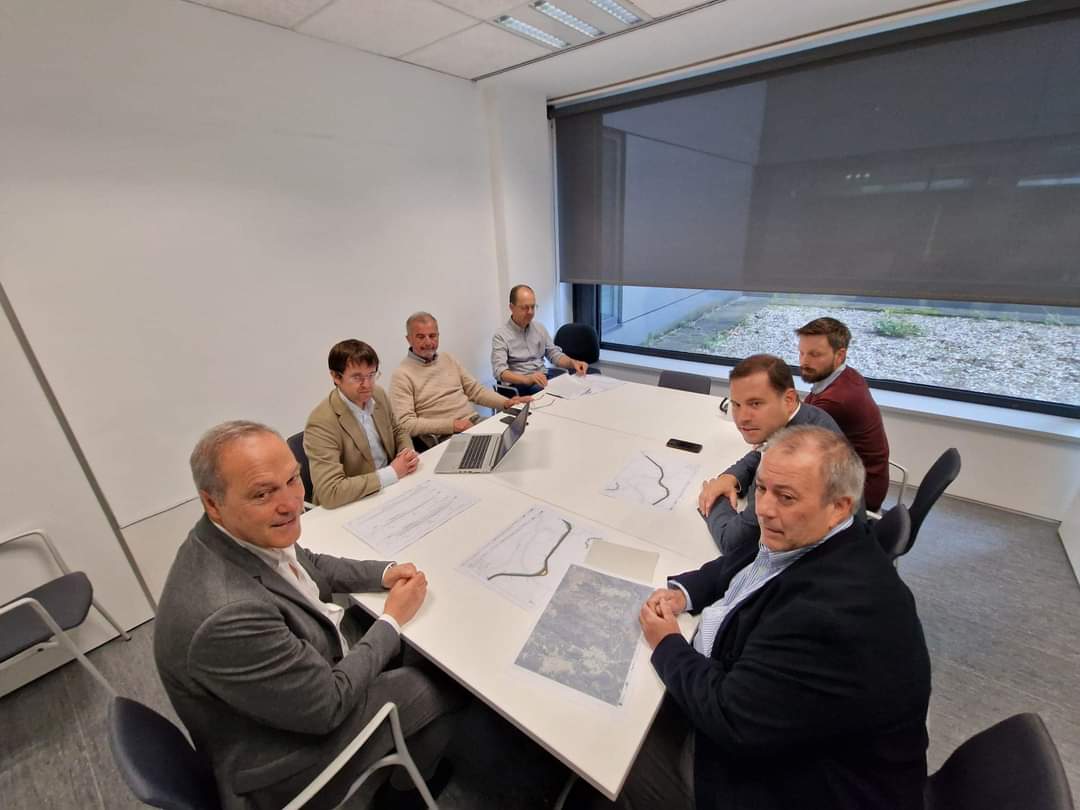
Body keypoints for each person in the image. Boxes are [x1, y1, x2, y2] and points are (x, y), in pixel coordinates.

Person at [576, 426, 931, 810]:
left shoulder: (829, 615)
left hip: (786, 783)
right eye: (760, 489)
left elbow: (731, 717)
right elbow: (742, 561)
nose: (764, 509)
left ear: (839, 506)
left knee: (599, 753)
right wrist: (684, 593)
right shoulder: (819, 535)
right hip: (776, 723)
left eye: (786, 497)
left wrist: (667, 643)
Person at [154, 421, 465, 810]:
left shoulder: (232, 534)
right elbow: (329, 706)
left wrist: (383, 572)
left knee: (405, 647)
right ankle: (403, 796)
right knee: (443, 684)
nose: (290, 503)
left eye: (292, 480)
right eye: (264, 493)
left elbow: (308, 562)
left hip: (288, 693)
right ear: (212, 502)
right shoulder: (228, 615)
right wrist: (391, 620)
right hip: (275, 764)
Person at [697, 354, 842, 554]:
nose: (742, 418)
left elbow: (733, 542)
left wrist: (714, 499)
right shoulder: (805, 417)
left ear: (789, 400)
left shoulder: (799, 458)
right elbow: (760, 452)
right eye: (736, 405)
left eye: (755, 404)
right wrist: (730, 477)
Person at [304, 339, 418, 508]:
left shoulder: (378, 394)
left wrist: (406, 453)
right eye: (357, 377)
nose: (367, 385)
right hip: (355, 503)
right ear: (336, 377)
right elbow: (330, 491)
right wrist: (392, 472)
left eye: (372, 375)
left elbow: (398, 430)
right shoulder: (321, 422)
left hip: (393, 487)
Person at [391, 311, 530, 448]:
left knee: (518, 437)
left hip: (474, 422)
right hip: (445, 436)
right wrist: (452, 425)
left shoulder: (448, 359)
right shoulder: (402, 375)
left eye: (432, 336)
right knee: (495, 451)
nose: (428, 342)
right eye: (420, 337)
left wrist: (506, 402)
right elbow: (405, 424)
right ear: (408, 339)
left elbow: (475, 391)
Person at [796, 316, 891, 512]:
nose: (804, 361)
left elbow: (795, 443)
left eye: (815, 354)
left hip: (859, 492)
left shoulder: (837, 400)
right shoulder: (844, 375)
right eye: (801, 352)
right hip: (860, 474)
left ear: (839, 355)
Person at [491, 284, 589, 395]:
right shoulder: (501, 336)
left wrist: (573, 363)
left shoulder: (539, 328)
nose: (530, 312)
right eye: (525, 307)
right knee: (552, 394)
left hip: (542, 377)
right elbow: (500, 372)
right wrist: (527, 379)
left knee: (574, 386)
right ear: (511, 307)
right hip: (519, 384)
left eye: (533, 307)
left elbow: (554, 355)